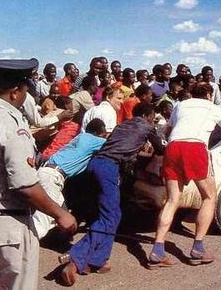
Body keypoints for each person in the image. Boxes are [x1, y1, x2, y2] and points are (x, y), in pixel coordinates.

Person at [0, 59, 77, 289]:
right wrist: (60, 214)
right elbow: (25, 186)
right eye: (24, 90)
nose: (24, 96)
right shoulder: (11, 125)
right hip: (6, 225)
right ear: (14, 92)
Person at [60, 103, 165, 286]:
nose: (152, 120)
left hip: (95, 166)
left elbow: (125, 147)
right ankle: (76, 259)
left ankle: (98, 260)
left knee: (112, 215)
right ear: (148, 115)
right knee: (109, 217)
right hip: (109, 168)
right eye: (152, 117)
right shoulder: (146, 126)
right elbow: (163, 148)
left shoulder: (122, 125)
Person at [148, 83, 221, 268]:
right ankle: (198, 248)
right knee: (209, 197)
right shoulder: (214, 107)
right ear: (209, 94)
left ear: (193, 94)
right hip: (195, 148)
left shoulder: (181, 105)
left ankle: (157, 250)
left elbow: (167, 131)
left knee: (173, 199)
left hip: (173, 147)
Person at [33, 118, 107, 238]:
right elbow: (114, 144)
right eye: (103, 135)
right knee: (43, 221)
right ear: (97, 134)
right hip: (53, 177)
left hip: (46, 172)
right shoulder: (94, 140)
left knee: (62, 214)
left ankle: (54, 239)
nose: (104, 138)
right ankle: (23, 246)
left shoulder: (80, 138)